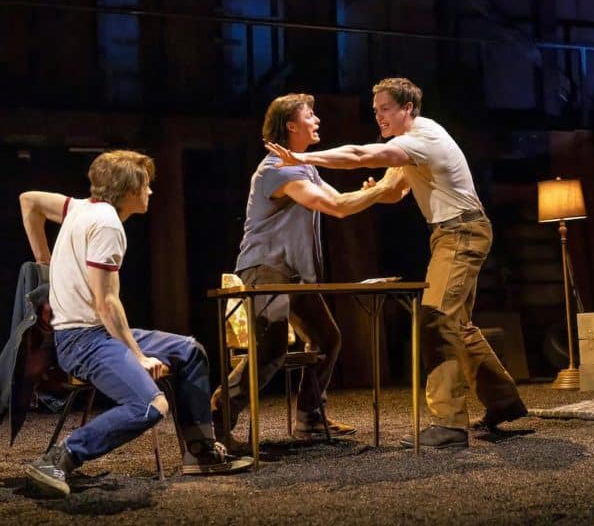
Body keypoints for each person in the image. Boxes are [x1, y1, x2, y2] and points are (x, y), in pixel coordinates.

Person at [267, 77, 528, 449]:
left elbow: (360, 155)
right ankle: (503, 402)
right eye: (375, 111)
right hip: (451, 233)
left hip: (461, 232)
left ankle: (450, 425)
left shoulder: (422, 138)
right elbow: (392, 191)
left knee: (436, 318)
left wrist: (304, 157)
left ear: (408, 108)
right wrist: (369, 192)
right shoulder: (406, 146)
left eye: (385, 109)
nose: (379, 117)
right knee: (457, 323)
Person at [19, 150, 252, 497]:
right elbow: (106, 302)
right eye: (145, 184)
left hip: (94, 332)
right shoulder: (109, 224)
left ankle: (200, 452)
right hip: (83, 341)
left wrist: (44, 262)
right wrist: (138, 356)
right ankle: (58, 458)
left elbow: (29, 201)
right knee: (150, 405)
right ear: (128, 189)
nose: (151, 192)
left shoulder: (79, 207)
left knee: (189, 351)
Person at [212, 93, 404, 443]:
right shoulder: (277, 169)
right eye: (310, 115)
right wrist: (380, 191)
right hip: (266, 268)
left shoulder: (305, 167)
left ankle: (310, 417)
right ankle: (220, 412)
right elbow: (335, 207)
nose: (317, 120)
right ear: (291, 125)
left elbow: (343, 202)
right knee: (271, 351)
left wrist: (380, 191)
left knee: (327, 338)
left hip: (294, 272)